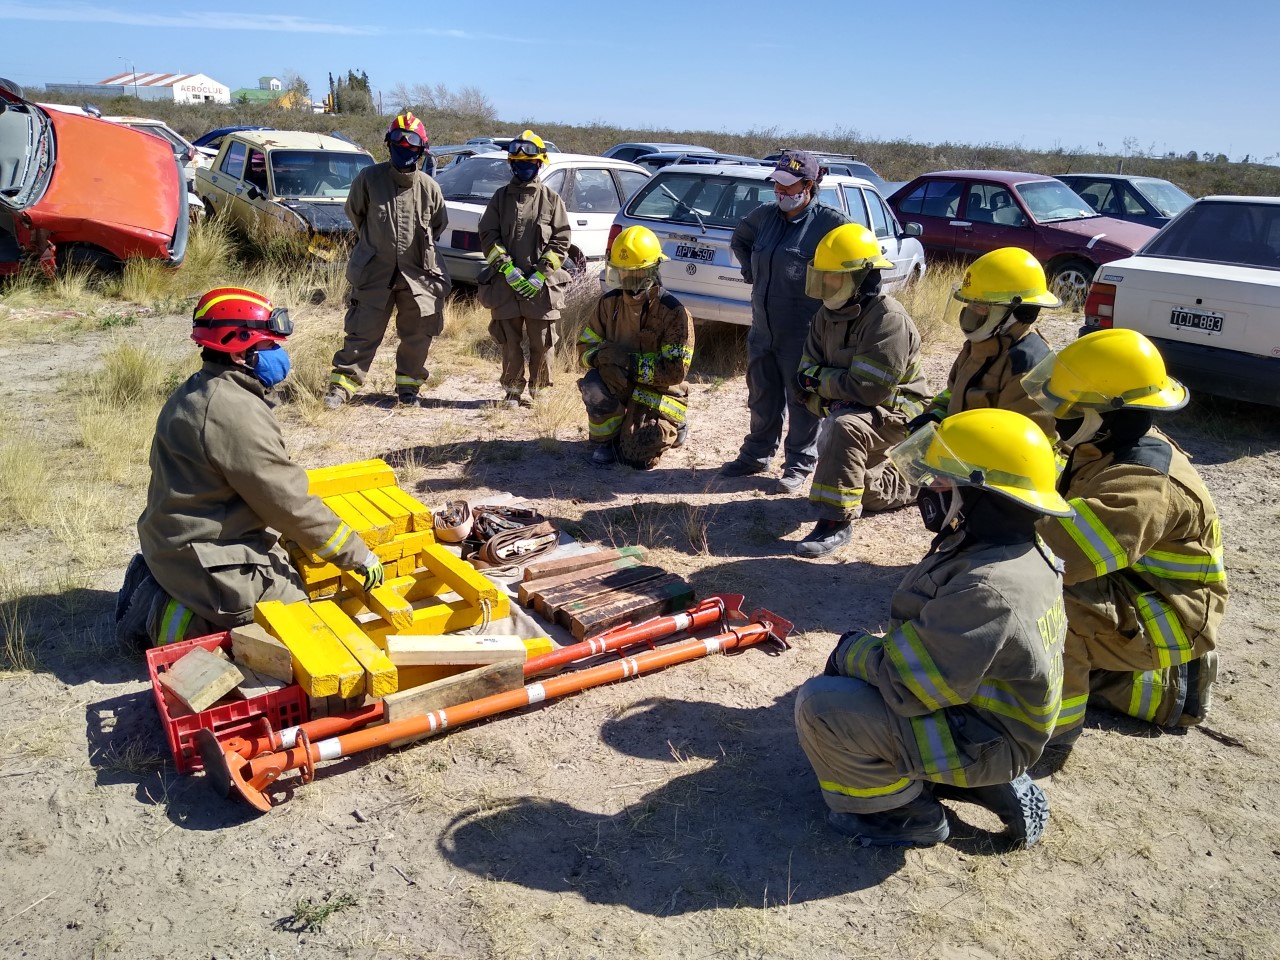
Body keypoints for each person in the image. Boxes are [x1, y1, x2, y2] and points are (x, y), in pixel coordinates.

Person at [794, 408, 1071, 848]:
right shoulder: (1014, 549)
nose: (929, 488)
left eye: (943, 480)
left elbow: (906, 685)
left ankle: (904, 814)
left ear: (981, 493)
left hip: (981, 736)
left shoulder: (987, 588)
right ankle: (974, 780)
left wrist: (850, 652)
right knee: (858, 681)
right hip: (984, 719)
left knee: (822, 706)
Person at [116, 287, 385, 648]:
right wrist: (356, 553)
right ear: (240, 351)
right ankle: (169, 616)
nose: (279, 354)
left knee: (287, 559)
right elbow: (286, 501)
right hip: (200, 554)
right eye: (269, 345)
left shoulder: (202, 389)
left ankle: (168, 582)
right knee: (294, 617)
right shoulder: (233, 412)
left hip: (175, 540)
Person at [1022, 328, 1227, 745]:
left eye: (1070, 408)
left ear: (1109, 414)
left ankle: (1050, 734)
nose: (1057, 417)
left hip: (1171, 616)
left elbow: (1055, 559)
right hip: (1135, 587)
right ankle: (1148, 683)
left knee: (1044, 604)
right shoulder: (1106, 444)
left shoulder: (1141, 487)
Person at [790, 224, 929, 558]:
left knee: (844, 427)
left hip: (896, 414)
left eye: (833, 278)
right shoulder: (825, 316)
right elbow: (802, 380)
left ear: (861, 278)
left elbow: (867, 389)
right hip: (854, 408)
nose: (825, 285)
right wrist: (828, 389)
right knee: (863, 485)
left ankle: (835, 521)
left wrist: (822, 386)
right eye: (822, 276)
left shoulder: (888, 320)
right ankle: (912, 482)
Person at [722, 149, 852, 492]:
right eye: (776, 185)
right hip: (763, 330)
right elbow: (740, 239)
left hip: (804, 334)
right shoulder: (764, 216)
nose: (780, 192)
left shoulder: (832, 224)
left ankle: (798, 465)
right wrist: (751, 271)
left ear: (808, 186)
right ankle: (756, 455)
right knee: (761, 396)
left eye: (788, 186)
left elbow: (858, 267)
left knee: (802, 401)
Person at [325, 111, 450, 410]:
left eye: (411, 144)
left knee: (417, 336)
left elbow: (437, 226)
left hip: (417, 276)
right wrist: (378, 245)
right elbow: (356, 215)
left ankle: (408, 389)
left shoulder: (429, 188)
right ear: (388, 144)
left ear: (422, 150)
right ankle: (342, 387)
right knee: (362, 332)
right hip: (374, 273)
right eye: (398, 142)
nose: (404, 148)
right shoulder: (369, 179)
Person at [907, 247, 1059, 442]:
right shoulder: (978, 347)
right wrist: (933, 417)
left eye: (980, 306)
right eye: (969, 303)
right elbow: (953, 394)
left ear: (1021, 312)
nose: (969, 312)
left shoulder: (1028, 365)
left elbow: (1024, 444)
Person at [576, 226, 695, 469]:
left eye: (635, 271)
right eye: (622, 271)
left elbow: (675, 372)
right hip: (619, 383)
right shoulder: (608, 304)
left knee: (636, 458)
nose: (627, 277)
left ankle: (675, 425)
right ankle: (608, 440)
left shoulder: (674, 312)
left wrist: (628, 363)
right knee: (593, 384)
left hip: (657, 393)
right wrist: (600, 360)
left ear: (652, 269)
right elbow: (584, 347)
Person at [477, 130, 572, 408]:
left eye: (529, 163)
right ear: (511, 164)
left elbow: (561, 239)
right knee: (509, 340)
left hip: (541, 288)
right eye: (518, 163)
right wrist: (507, 269)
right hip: (505, 286)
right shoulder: (500, 198)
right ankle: (512, 390)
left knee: (542, 341)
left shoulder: (551, 199)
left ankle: (540, 390)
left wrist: (541, 273)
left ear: (539, 163)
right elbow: (488, 235)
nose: (524, 168)